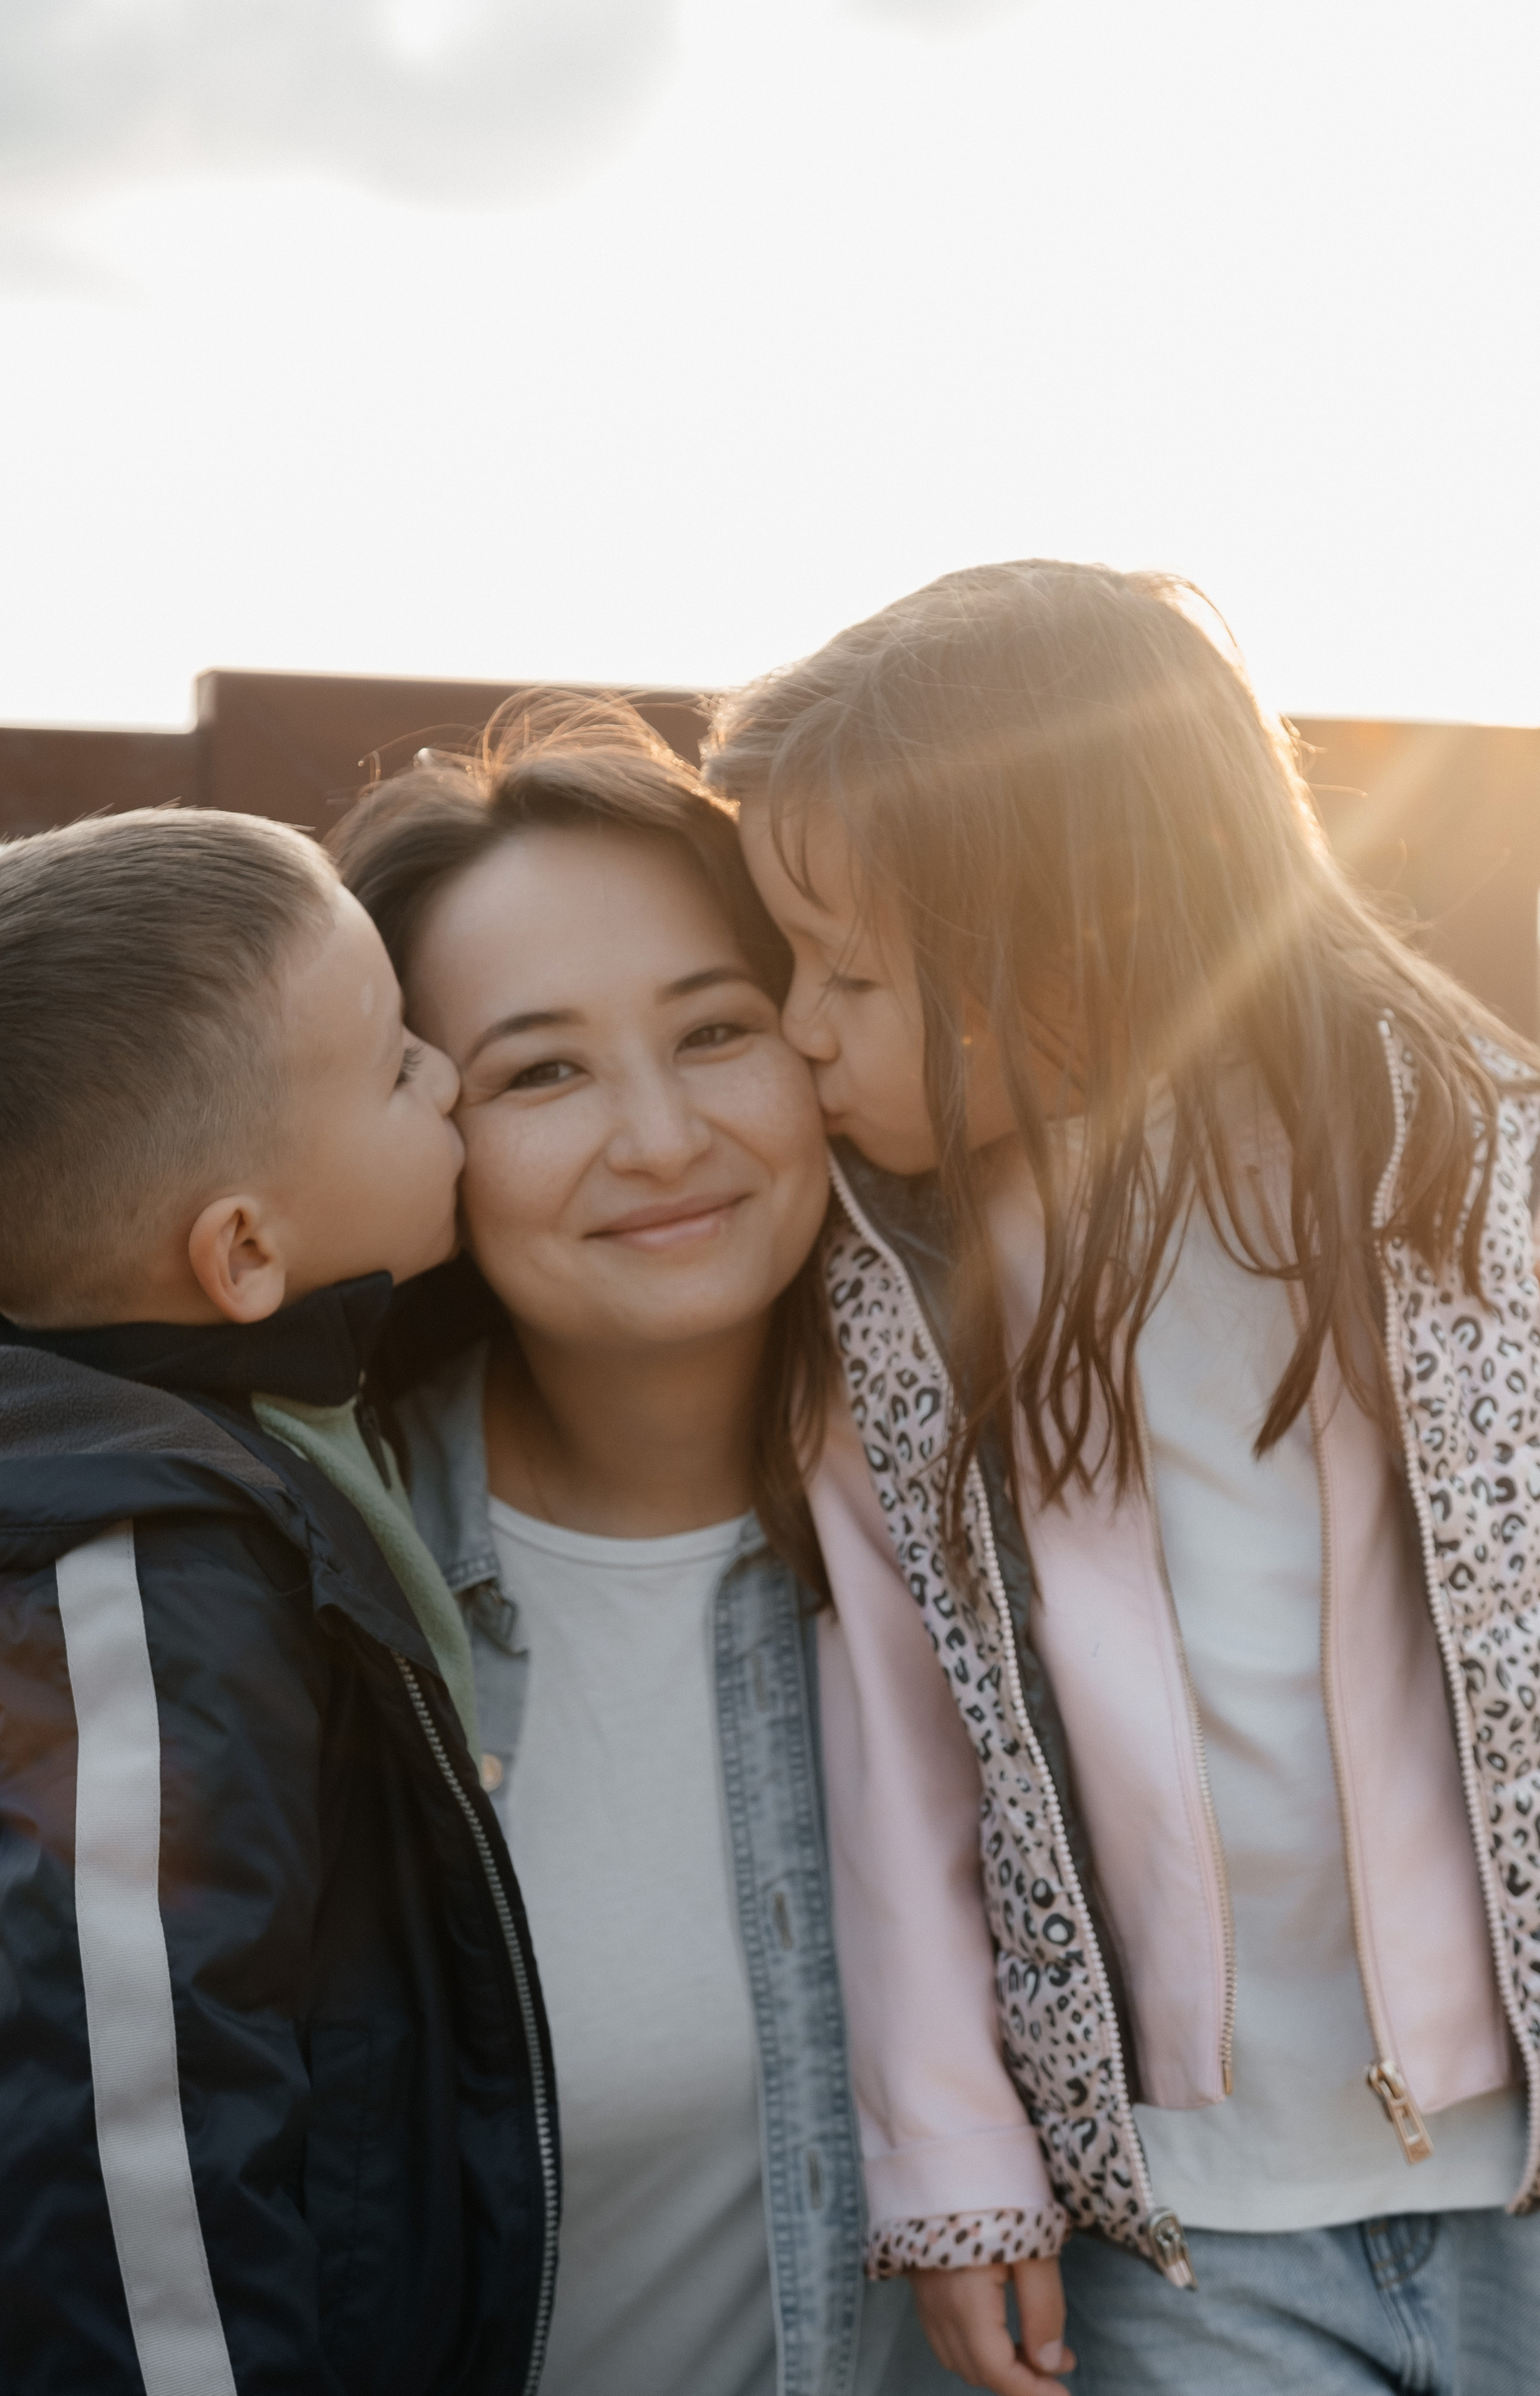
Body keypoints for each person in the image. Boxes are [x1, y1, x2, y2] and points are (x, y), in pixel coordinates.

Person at [706, 560, 1540, 2396]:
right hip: (1182, 2229)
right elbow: (900, 1762)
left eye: (849, 972)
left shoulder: (1471, 1177)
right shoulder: (895, 1299)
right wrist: (958, 2170)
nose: (801, 1025)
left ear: (1083, 937)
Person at [331, 696, 964, 2396]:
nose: (665, 1139)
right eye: (539, 1070)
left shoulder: (1031, 1505)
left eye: (715, 1029)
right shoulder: (302, 1591)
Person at [0, 808, 557, 2394]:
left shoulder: (256, 1430)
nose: (448, 1076)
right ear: (242, 1251)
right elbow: (139, 2149)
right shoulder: (140, 1570)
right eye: (397, 1066)